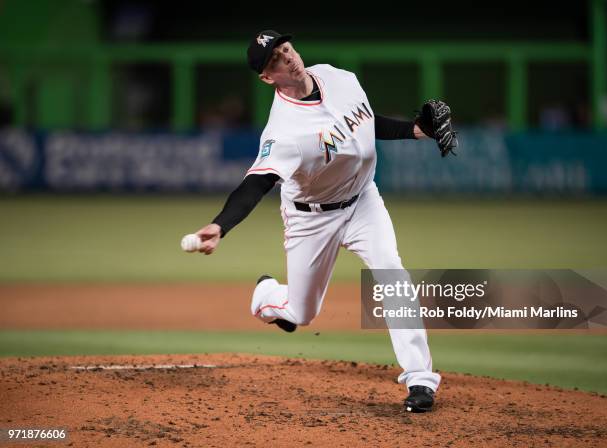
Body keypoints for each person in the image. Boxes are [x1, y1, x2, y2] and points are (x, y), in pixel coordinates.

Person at [194, 30, 457, 413]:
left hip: (364, 201)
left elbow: (368, 123)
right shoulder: (283, 131)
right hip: (311, 220)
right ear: (268, 77)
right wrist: (220, 225)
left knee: (391, 272)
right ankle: (267, 296)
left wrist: (417, 131)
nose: (287, 58)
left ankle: (419, 378)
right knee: (302, 313)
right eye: (276, 60)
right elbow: (256, 183)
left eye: (286, 49)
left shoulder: (339, 77)